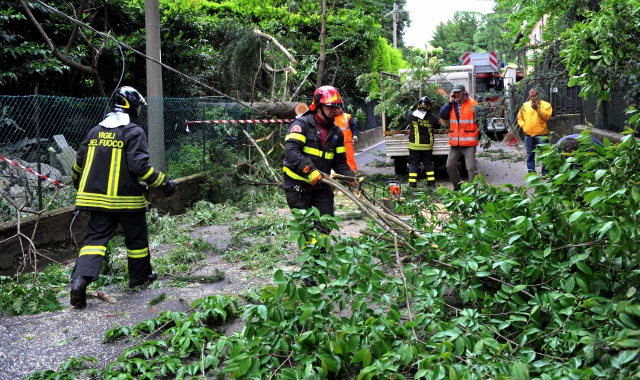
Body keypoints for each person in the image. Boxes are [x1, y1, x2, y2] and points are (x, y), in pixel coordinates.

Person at [69, 86, 178, 309]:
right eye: (138, 106)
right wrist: (165, 184)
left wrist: (78, 185)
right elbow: (141, 168)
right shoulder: (133, 132)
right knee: (136, 240)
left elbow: (78, 165)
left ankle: (79, 281)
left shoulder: (94, 131)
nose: (139, 110)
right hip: (127, 201)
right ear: (132, 107)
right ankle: (139, 277)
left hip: (97, 201)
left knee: (93, 241)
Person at [282, 85, 355, 286]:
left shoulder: (336, 132)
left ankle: (316, 263)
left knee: (325, 224)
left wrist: (351, 178)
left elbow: (340, 162)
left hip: (322, 186)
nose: (335, 110)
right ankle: (308, 269)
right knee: (307, 228)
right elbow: (292, 153)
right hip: (298, 186)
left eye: (337, 106)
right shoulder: (301, 125)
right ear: (318, 105)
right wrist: (310, 171)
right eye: (331, 106)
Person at [439, 83, 480, 191]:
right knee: (449, 166)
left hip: (469, 143)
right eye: (455, 92)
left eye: (458, 92)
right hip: (455, 143)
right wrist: (450, 102)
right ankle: (458, 187)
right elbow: (443, 115)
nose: (456, 94)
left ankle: (473, 190)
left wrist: (481, 136)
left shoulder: (473, 104)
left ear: (464, 92)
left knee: (471, 168)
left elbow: (481, 121)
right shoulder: (452, 104)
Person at [406, 96, 441, 188]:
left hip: (414, 146)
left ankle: (412, 185)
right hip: (427, 146)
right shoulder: (432, 118)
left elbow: (406, 114)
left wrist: (413, 106)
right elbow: (438, 125)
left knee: (413, 165)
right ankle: (432, 184)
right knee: (428, 164)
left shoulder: (411, 115)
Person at [517, 88, 553, 176]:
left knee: (544, 155)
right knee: (530, 156)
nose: (532, 98)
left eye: (534, 96)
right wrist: (524, 126)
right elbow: (519, 117)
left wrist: (537, 109)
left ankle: (545, 174)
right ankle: (532, 174)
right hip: (528, 134)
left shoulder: (546, 105)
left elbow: (547, 117)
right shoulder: (525, 105)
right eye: (531, 96)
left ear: (538, 95)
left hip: (541, 134)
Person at [334, 106, 359, 172]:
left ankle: (353, 174)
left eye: (338, 108)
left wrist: (355, 135)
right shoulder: (331, 117)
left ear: (341, 109)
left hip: (347, 142)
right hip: (335, 143)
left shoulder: (347, 117)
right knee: (337, 159)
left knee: (350, 159)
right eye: (335, 108)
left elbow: (354, 127)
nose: (336, 110)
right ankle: (339, 174)